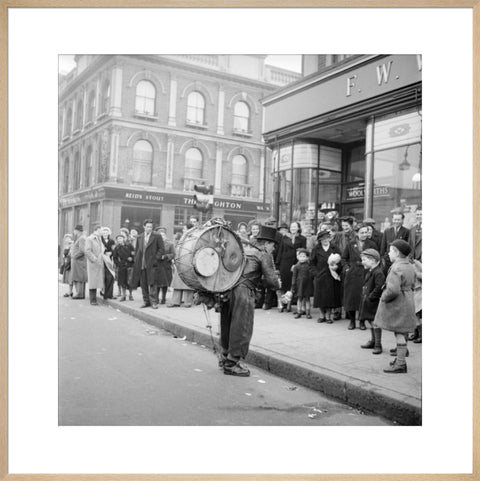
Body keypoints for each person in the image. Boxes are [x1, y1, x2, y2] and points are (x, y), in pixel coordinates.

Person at [220, 225, 281, 377]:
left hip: (227, 290)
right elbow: (272, 281)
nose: (273, 249)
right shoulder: (263, 254)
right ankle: (232, 363)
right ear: (267, 243)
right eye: (273, 245)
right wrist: (278, 284)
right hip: (243, 292)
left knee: (227, 324)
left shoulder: (243, 249)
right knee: (242, 326)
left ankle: (224, 356)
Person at [374, 239, 416, 374]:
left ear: (397, 253)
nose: (388, 253)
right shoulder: (409, 265)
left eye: (391, 251)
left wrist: (383, 297)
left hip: (398, 303)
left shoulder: (396, 267)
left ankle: (400, 363)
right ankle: (400, 358)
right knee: (403, 331)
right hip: (408, 300)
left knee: (399, 333)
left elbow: (393, 290)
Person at [342, 224, 379, 330]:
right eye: (361, 233)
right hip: (352, 275)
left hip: (366, 274)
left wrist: (372, 270)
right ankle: (352, 321)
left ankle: (362, 321)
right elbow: (344, 258)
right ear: (356, 233)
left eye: (366, 232)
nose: (364, 235)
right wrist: (347, 269)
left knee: (363, 298)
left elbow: (377, 258)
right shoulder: (351, 244)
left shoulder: (372, 244)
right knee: (351, 299)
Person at [132, 219, 165, 309]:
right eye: (147, 227)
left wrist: (156, 259)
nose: (149, 228)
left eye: (151, 227)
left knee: (153, 283)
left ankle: (154, 302)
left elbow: (161, 249)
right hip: (142, 264)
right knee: (143, 284)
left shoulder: (157, 236)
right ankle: (146, 301)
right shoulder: (140, 237)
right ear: (144, 227)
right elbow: (137, 250)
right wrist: (136, 260)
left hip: (152, 264)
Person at [310, 230, 342, 324]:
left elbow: (340, 261)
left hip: (331, 276)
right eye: (322, 239)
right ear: (319, 240)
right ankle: (321, 315)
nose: (325, 240)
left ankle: (328, 315)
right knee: (320, 296)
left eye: (327, 238)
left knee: (330, 297)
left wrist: (337, 267)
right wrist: (316, 273)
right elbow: (311, 263)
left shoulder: (334, 248)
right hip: (320, 275)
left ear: (329, 238)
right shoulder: (316, 249)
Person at [358, 249, 385, 354]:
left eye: (364, 260)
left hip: (373, 302)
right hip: (369, 301)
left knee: (375, 323)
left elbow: (379, 287)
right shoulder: (371, 271)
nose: (362, 262)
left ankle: (378, 345)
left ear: (373, 260)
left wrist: (370, 297)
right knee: (370, 321)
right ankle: (373, 341)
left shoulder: (378, 272)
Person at [275, 221, 307, 312]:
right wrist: (277, 265)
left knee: (291, 284)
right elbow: (280, 251)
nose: (293, 228)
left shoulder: (302, 238)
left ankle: (288, 304)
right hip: (284, 263)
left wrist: (298, 264)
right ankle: (281, 304)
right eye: (291, 226)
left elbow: (303, 252)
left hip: (295, 264)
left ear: (298, 228)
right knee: (283, 284)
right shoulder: (285, 237)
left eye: (295, 227)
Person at [168, 224, 195, 308]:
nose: (183, 230)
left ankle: (188, 302)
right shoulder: (183, 237)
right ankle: (175, 301)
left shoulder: (193, 237)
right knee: (177, 282)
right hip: (180, 261)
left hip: (188, 262)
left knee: (188, 282)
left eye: (184, 228)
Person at [85, 223, 105, 306]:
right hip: (93, 263)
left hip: (99, 262)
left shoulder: (99, 239)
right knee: (93, 281)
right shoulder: (90, 239)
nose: (102, 232)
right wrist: (94, 259)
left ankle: (95, 298)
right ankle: (92, 300)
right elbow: (87, 251)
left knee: (97, 281)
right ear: (97, 230)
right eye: (101, 230)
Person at [154, 227, 175, 304]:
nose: (162, 237)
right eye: (160, 235)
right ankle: (156, 298)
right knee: (157, 283)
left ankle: (163, 298)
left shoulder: (170, 244)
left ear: (165, 236)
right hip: (157, 266)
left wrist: (166, 256)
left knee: (165, 283)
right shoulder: (155, 244)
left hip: (166, 266)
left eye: (163, 235)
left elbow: (173, 254)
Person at [291, 248, 313, 319]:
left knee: (307, 299)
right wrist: (293, 285)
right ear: (298, 257)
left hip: (307, 284)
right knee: (299, 298)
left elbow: (311, 275)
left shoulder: (309, 266)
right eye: (300, 256)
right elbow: (294, 277)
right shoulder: (296, 267)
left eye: (304, 256)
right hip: (299, 284)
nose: (302, 258)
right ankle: (299, 312)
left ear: (307, 257)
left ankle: (308, 313)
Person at [112, 233, 135, 301]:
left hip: (130, 266)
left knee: (130, 281)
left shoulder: (129, 245)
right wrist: (119, 264)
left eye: (121, 238)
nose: (119, 240)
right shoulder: (117, 248)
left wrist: (132, 258)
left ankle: (130, 295)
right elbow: (115, 258)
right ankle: (124, 295)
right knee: (122, 281)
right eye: (118, 239)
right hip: (122, 266)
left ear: (124, 239)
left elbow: (134, 253)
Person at [70, 225, 87, 299]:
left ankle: (79, 294)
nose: (74, 232)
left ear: (77, 231)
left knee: (79, 277)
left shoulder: (82, 238)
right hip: (78, 261)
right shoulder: (81, 238)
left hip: (79, 261)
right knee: (78, 277)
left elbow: (82, 250)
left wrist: (74, 256)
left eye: (74, 230)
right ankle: (80, 294)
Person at [101, 227, 116, 299]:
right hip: (101, 261)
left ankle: (109, 294)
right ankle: (103, 291)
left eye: (106, 232)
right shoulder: (99, 240)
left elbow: (114, 250)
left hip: (109, 261)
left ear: (109, 233)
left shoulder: (112, 241)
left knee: (110, 277)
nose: (105, 234)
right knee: (102, 277)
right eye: (103, 232)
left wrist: (111, 253)